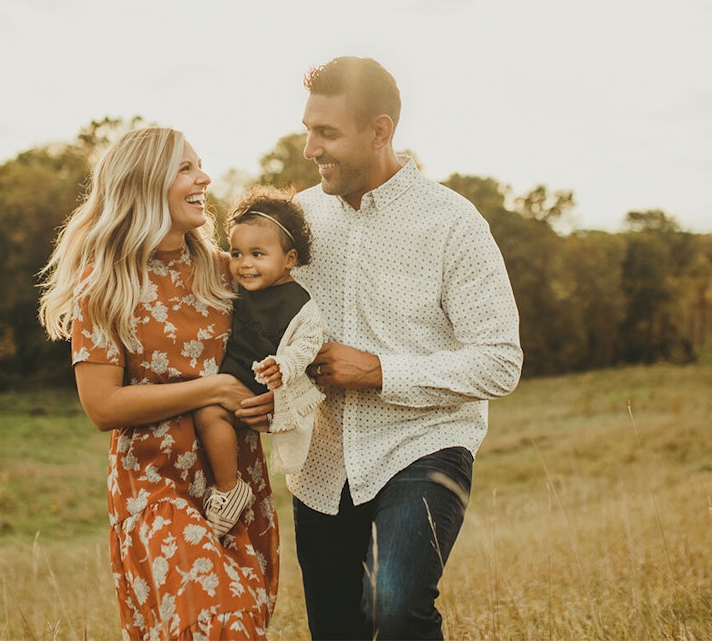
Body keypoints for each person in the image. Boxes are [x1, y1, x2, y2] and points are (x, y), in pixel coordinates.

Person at [281, 56, 523, 640]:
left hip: (425, 444)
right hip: (322, 460)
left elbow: (500, 360)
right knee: (335, 628)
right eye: (309, 129)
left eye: (328, 133)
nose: (311, 148)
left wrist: (380, 371)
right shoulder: (299, 220)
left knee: (395, 610)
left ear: (380, 131)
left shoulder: (452, 223)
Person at [37, 126, 279, 639]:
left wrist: (271, 397)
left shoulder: (228, 271)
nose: (204, 178)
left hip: (232, 481)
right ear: (145, 184)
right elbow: (101, 405)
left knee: (241, 620)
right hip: (154, 489)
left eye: (200, 165)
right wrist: (210, 389)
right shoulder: (104, 284)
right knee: (217, 622)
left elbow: (277, 351)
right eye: (186, 168)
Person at [194, 186, 328, 537]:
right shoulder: (238, 287)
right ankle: (226, 485)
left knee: (209, 414)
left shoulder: (300, 303)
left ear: (289, 259)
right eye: (236, 253)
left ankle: (228, 488)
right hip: (230, 375)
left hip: (259, 386)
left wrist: (283, 366)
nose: (245, 264)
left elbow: (309, 344)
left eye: (258, 254)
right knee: (207, 418)